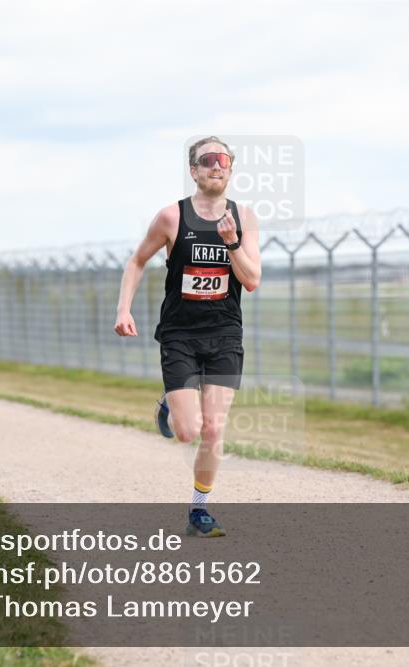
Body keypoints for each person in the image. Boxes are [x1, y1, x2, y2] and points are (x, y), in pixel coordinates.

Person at [115, 136, 261, 537]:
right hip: (180, 334)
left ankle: (199, 509)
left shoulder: (244, 218)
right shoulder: (171, 218)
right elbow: (137, 261)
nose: (216, 166)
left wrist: (232, 243)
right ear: (193, 170)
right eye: (207, 160)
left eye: (223, 160)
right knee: (188, 432)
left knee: (214, 429)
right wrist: (123, 309)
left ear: (230, 169)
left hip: (225, 334)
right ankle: (171, 405)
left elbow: (252, 280)